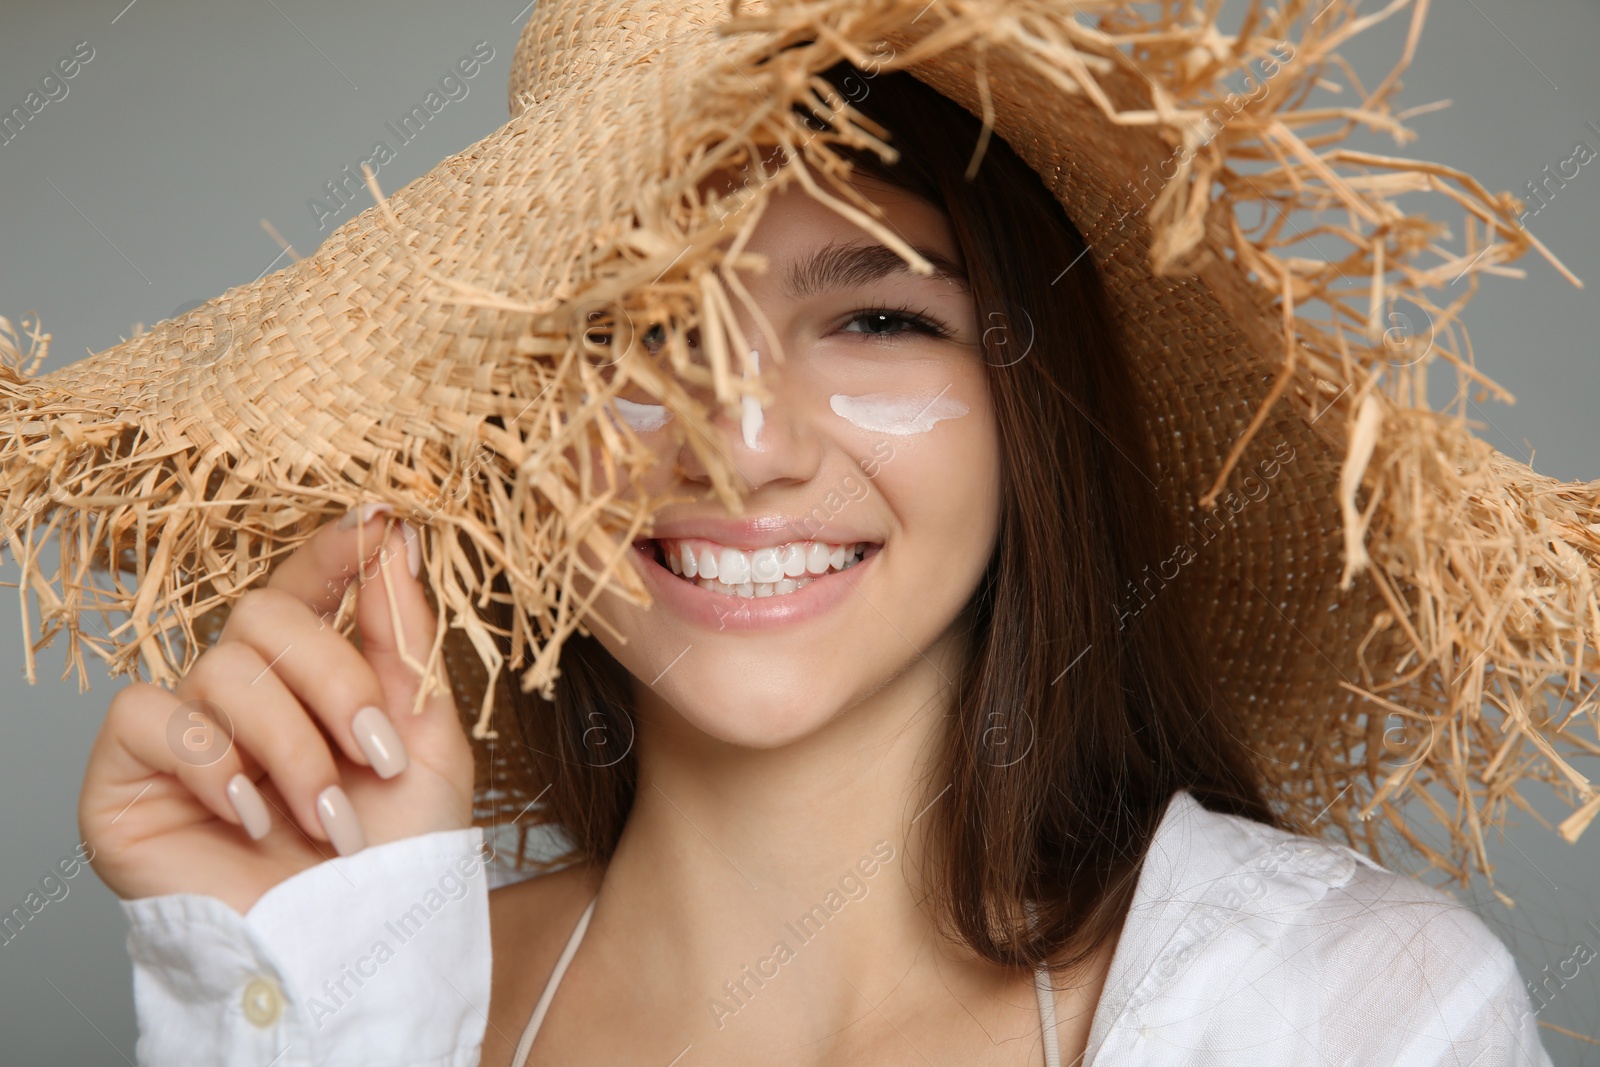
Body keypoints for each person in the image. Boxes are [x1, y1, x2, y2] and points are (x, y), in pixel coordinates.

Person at [76, 63, 1555, 1066]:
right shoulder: (349, 1002)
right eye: (638, 332)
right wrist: (308, 984)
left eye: (879, 321)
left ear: (1029, 407)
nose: (747, 446)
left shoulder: (1352, 1019)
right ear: (505, 439)